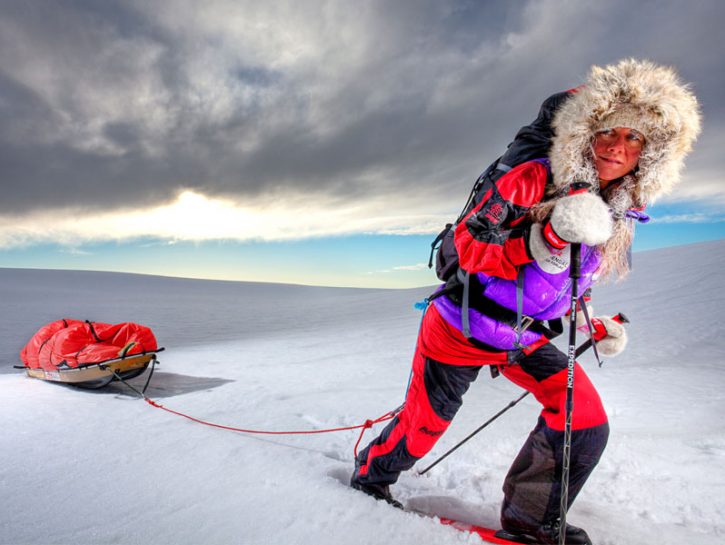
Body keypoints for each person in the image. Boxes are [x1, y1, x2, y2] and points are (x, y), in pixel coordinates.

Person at [350, 59, 701, 545]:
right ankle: (369, 476)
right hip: (461, 326)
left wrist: (593, 323)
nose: (619, 146)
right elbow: (469, 246)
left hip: (526, 337)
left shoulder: (618, 207)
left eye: (635, 137)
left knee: (586, 421)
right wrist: (543, 241)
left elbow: (570, 282)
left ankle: (532, 522)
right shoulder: (530, 179)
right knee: (423, 427)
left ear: (651, 152)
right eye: (607, 131)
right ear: (584, 133)